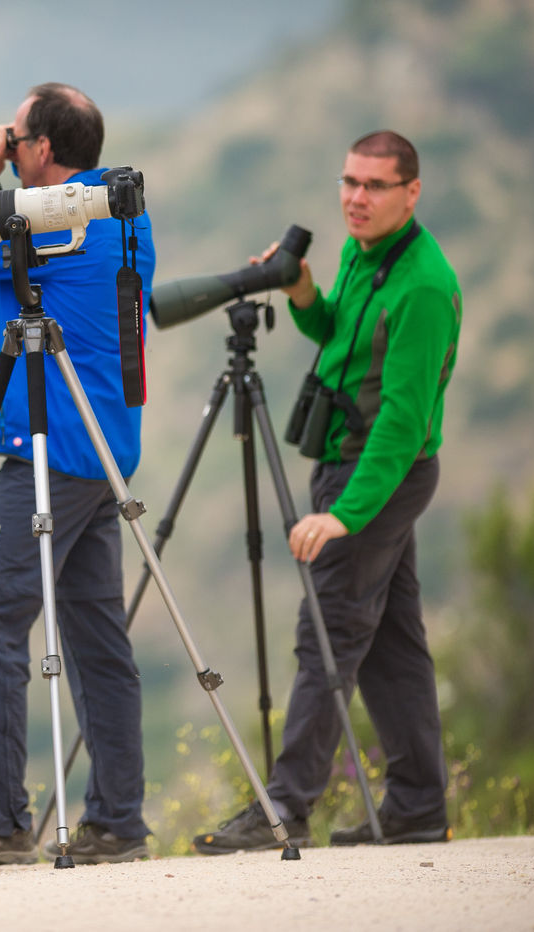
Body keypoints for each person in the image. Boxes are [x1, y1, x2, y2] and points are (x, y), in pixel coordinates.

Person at [0, 83, 156, 865]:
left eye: (15, 139)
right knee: (94, 636)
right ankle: (117, 823)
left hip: (54, 450)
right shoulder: (118, 209)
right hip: (100, 448)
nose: (7, 149)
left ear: (42, 149)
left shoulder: (60, 220)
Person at [193, 130, 460, 853]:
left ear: (412, 191)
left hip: (380, 474)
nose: (356, 198)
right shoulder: (360, 252)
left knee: (329, 633)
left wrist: (343, 516)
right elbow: (336, 336)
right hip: (347, 462)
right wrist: (305, 293)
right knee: (391, 643)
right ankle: (416, 806)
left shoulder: (426, 286)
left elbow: (402, 426)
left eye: (375, 186)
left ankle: (285, 806)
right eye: (349, 181)